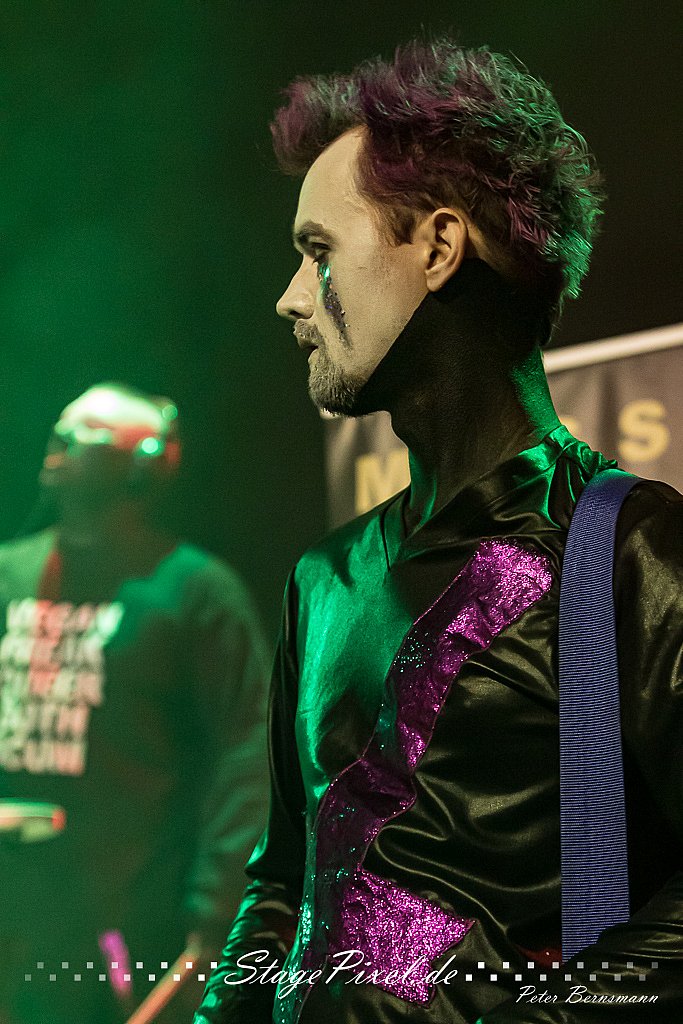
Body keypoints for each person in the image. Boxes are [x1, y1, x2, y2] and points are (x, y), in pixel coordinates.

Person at [195, 38, 683, 1024]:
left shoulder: (634, 554)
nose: (290, 297)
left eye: (318, 251)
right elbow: (282, 881)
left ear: (437, 246)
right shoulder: (324, 577)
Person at [0, 383, 270, 1024]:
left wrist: (216, 916)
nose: (60, 442)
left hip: (129, 925)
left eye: (88, 435)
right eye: (61, 427)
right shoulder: (8, 572)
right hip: (14, 916)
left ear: (142, 466)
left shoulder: (196, 592)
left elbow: (249, 755)